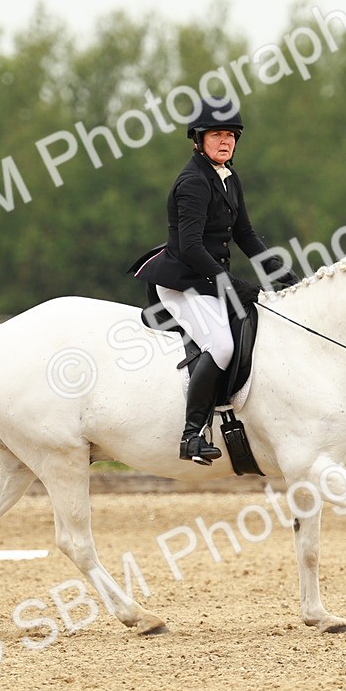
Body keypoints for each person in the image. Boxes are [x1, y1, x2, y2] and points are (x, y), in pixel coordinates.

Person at [130, 97, 298, 465]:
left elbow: (246, 234)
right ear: (198, 140)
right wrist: (229, 283)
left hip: (207, 278)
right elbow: (190, 247)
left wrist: (280, 273)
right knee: (221, 345)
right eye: (217, 134)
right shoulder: (192, 182)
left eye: (231, 135)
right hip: (181, 282)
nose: (225, 141)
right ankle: (191, 435)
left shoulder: (228, 177)